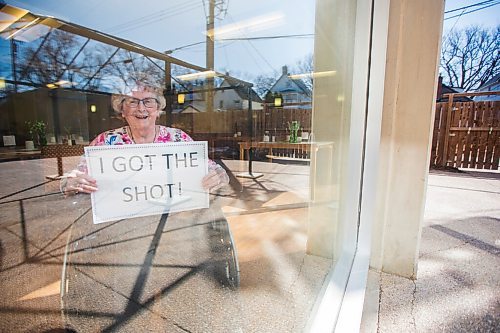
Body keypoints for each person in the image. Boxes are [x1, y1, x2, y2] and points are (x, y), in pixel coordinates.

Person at [61, 82, 229, 195]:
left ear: (158, 109)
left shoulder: (179, 138)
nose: (141, 108)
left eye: (148, 102)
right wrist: (71, 182)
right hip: (120, 222)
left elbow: (213, 170)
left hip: (171, 221)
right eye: (132, 102)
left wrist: (219, 176)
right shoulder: (105, 141)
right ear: (122, 110)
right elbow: (75, 175)